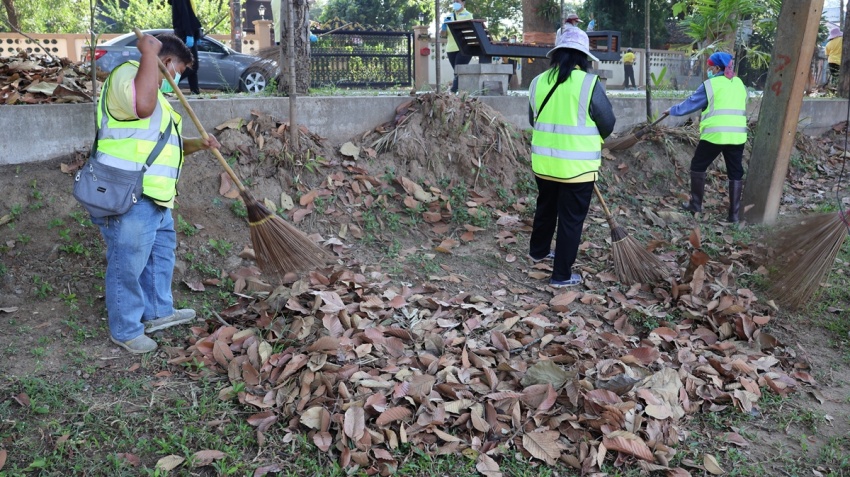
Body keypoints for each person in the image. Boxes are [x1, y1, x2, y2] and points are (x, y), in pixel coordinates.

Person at [91, 33, 220, 353]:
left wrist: (198, 144)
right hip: (129, 193)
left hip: (157, 197)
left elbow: (164, 145)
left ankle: (158, 312)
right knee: (127, 264)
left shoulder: (156, 94)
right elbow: (141, 106)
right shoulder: (127, 77)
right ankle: (125, 329)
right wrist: (149, 53)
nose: (177, 80)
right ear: (167, 61)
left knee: (160, 257)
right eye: (178, 71)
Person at [527, 28, 615, 288]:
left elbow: (534, 119)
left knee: (546, 207)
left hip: (544, 163)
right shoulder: (588, 83)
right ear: (582, 57)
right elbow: (607, 123)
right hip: (578, 168)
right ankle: (561, 276)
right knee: (571, 219)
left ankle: (538, 252)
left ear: (557, 54)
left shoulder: (537, 82)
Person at [663, 51, 747, 223]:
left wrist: (672, 110)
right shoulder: (739, 83)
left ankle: (695, 205)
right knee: (735, 172)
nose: (708, 70)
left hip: (715, 134)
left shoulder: (710, 85)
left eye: (710, 67)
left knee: (698, 165)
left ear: (717, 68)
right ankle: (734, 215)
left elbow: (691, 103)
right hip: (737, 135)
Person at [169, 0, 202, 94]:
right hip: (185, 33)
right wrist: (189, 34)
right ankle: (168, 84)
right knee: (193, 66)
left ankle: (195, 92)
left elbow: (191, 15)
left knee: (192, 66)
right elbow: (184, 15)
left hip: (189, 32)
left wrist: (197, 32)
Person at [441, 0, 474, 93]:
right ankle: (463, 92)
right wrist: (443, 27)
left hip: (464, 48)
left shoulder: (468, 15)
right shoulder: (449, 16)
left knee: (458, 71)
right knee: (458, 72)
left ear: (463, 2)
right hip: (451, 48)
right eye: (454, 1)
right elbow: (443, 34)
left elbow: (470, 31)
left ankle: (453, 91)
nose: (455, 3)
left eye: (458, 1)